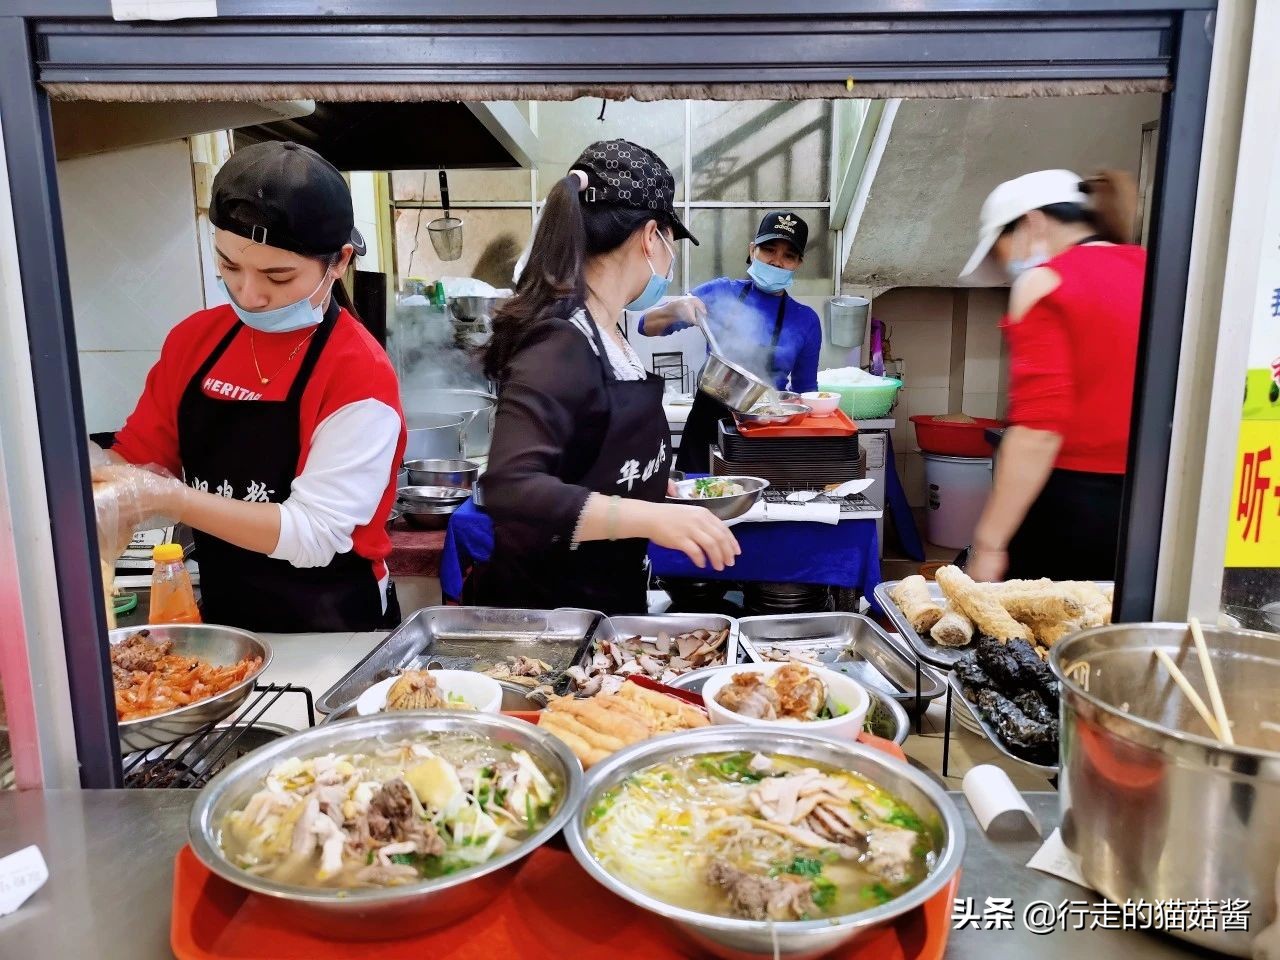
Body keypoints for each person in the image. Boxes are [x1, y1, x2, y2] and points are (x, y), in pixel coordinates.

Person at [92, 141, 406, 632]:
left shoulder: (358, 372)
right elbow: (139, 462)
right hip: (227, 628)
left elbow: (315, 533)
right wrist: (90, 486)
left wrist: (172, 499)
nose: (250, 295)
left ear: (339, 261)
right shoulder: (195, 341)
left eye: (278, 276)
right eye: (230, 266)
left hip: (335, 630)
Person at [470, 139, 740, 614]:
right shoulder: (560, 339)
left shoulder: (608, 331)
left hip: (603, 610)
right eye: (671, 242)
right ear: (650, 236)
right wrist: (648, 517)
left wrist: (649, 487)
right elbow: (511, 488)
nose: (669, 258)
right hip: (547, 622)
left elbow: (586, 458)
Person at [958, 168, 1144, 582]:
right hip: (1156, 505)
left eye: (1001, 249)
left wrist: (989, 544)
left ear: (1032, 222)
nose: (1006, 266)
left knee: (1042, 622)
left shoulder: (1046, 281)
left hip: (1073, 505)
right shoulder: (1158, 270)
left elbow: (1039, 429)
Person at [640, 211, 822, 472]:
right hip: (706, 429)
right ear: (752, 250)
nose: (777, 262)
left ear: (798, 264)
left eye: (789, 256)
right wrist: (675, 308)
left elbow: (806, 393)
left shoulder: (806, 320)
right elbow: (645, 326)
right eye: (769, 250)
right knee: (697, 495)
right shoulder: (720, 292)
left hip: (766, 436)